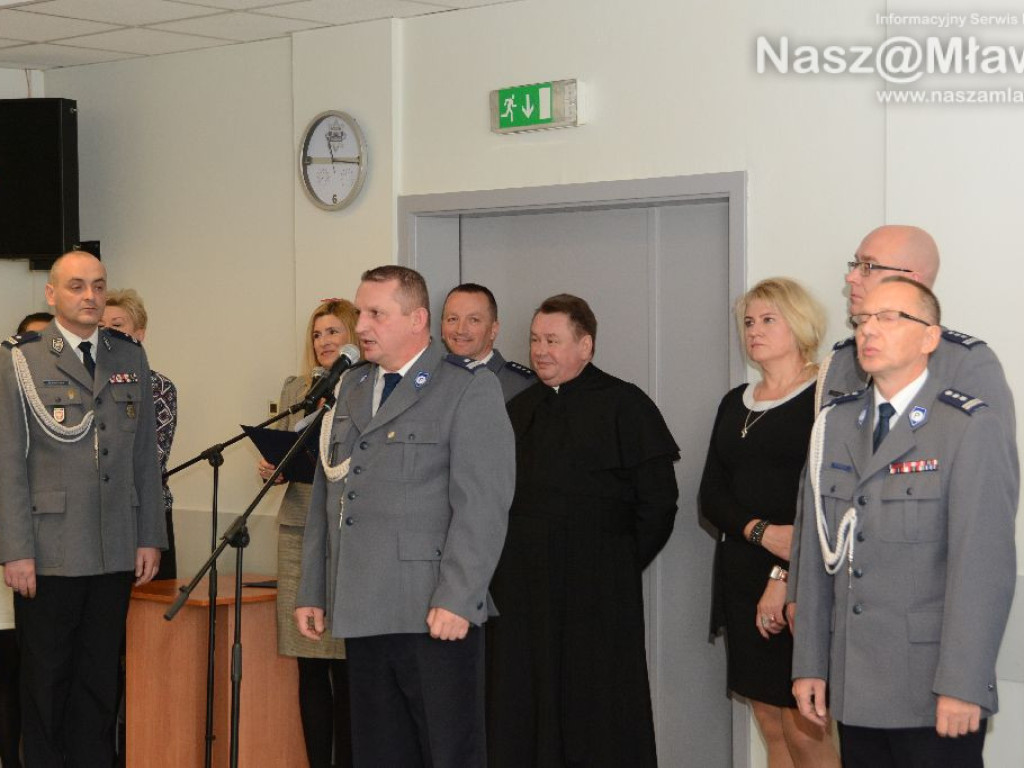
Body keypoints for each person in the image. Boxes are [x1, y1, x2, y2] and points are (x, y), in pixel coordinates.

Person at [791, 277, 1018, 768]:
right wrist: (809, 662)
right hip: (854, 686)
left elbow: (982, 568)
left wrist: (962, 683)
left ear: (930, 337)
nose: (869, 331)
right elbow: (816, 554)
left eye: (890, 317)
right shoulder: (833, 425)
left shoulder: (967, 427)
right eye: (862, 320)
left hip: (931, 690)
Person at [294, 266, 514, 768]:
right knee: (378, 752)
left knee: (446, 752)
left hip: (432, 609)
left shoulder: (465, 388)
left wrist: (460, 596)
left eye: (376, 313)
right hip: (363, 604)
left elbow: (483, 505)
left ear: (417, 319)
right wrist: (314, 588)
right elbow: (330, 496)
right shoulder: (351, 387)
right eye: (361, 312)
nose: (362, 326)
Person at [786, 224, 1016, 627]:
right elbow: (818, 494)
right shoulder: (841, 361)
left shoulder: (966, 362)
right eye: (854, 264)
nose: (851, 276)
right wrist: (797, 586)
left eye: (867, 265)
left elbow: (986, 509)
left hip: (917, 613)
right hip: (844, 611)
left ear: (913, 279)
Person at [486, 294, 680, 768]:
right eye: (535, 339)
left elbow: (658, 504)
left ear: (585, 345)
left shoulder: (625, 404)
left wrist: (613, 563)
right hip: (522, 591)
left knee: (599, 704)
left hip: (599, 590)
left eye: (552, 340)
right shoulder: (518, 408)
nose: (540, 350)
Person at [0, 251, 166, 767]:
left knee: (99, 684)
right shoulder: (20, 359)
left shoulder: (127, 356)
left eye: (98, 285)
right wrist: (15, 551)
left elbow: (144, 457)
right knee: (46, 684)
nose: (90, 296)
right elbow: (7, 462)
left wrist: (149, 535)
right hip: (49, 552)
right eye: (76, 286)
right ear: (51, 295)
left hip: (114, 547)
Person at [698, 278, 839, 768]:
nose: (754, 331)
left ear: (799, 324)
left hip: (800, 584)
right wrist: (759, 532)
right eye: (749, 322)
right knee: (770, 724)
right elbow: (712, 496)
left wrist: (783, 575)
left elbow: (824, 500)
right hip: (740, 575)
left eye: (767, 320)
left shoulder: (827, 397)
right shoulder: (736, 400)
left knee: (805, 730)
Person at [257, 299, 357, 768]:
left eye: (334, 331)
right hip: (298, 530)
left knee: (349, 668)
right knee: (309, 664)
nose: (324, 342)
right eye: (317, 334)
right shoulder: (298, 387)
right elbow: (281, 449)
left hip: (348, 537)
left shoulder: (366, 386)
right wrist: (271, 467)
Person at [102, 289, 178, 580]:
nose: (107, 332)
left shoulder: (158, 387)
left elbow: (152, 457)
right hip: (97, 517)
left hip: (144, 514)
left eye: (117, 325)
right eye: (100, 326)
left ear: (140, 333)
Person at [441, 283, 535, 401]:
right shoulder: (430, 380)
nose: (460, 330)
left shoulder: (522, 386)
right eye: (453, 319)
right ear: (442, 329)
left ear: (493, 330)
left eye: (473, 320)